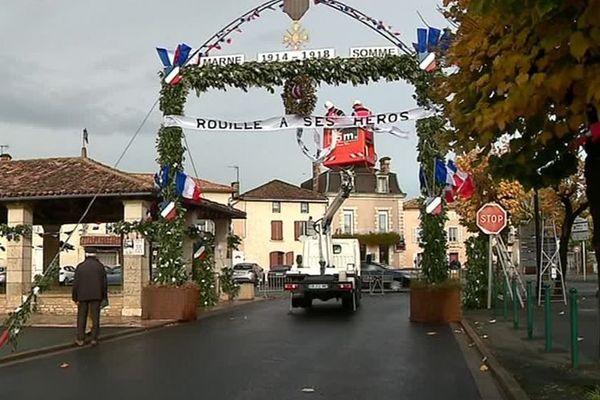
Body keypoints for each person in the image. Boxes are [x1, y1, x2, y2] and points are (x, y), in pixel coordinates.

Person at [72, 249, 107, 346]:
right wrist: (104, 296)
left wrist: (75, 297)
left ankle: (80, 339)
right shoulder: (100, 267)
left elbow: (75, 284)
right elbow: (104, 283)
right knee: (95, 317)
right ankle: (94, 338)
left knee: (81, 317)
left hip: (82, 295)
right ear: (95, 255)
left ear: (86, 255)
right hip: (96, 295)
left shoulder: (80, 267)